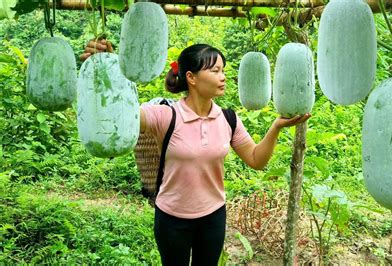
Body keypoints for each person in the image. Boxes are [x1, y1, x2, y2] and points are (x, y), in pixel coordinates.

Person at [80, 40, 310, 266]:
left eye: (223, 70)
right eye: (215, 70)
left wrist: (276, 127)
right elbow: (123, 112)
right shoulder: (165, 115)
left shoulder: (228, 119)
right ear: (191, 77)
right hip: (171, 219)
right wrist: (107, 69)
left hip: (213, 217)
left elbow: (256, 160)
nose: (223, 76)